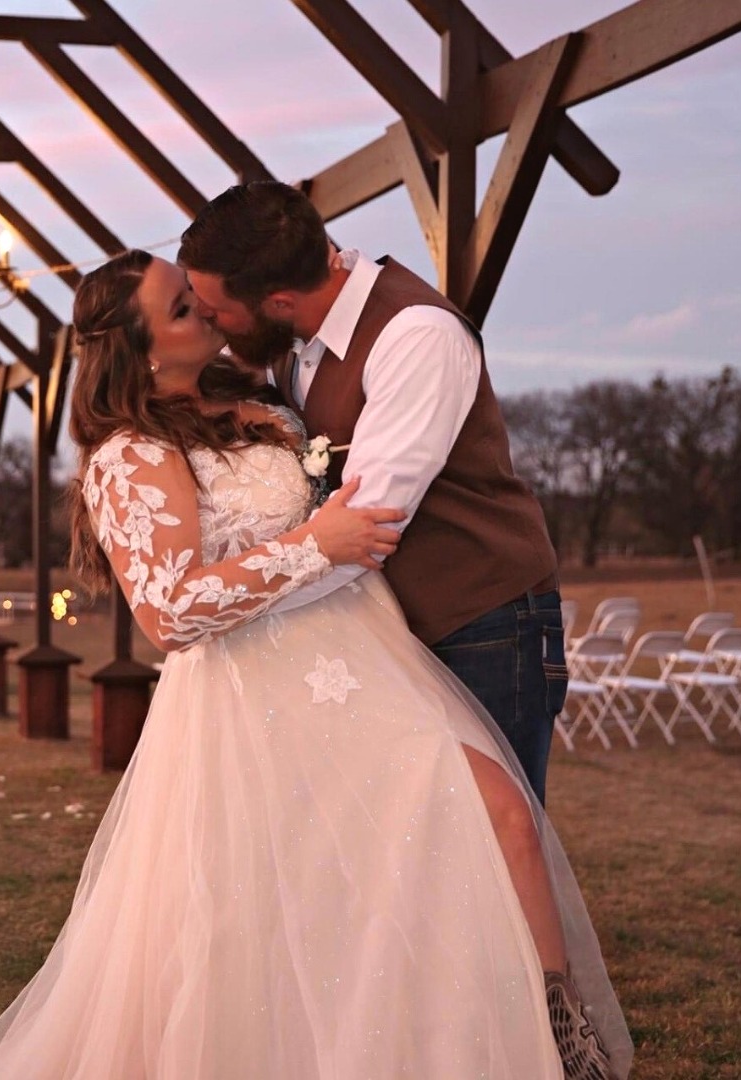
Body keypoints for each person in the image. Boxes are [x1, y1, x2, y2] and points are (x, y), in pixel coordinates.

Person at [0, 251, 630, 1080]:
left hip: (370, 655)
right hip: (262, 689)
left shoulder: (260, 403)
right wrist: (315, 543)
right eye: (183, 306)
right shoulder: (130, 454)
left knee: (495, 823)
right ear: (141, 347)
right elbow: (169, 612)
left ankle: (551, 1038)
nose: (207, 309)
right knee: (330, 889)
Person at [178, 181, 565, 805]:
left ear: (278, 301)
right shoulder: (288, 338)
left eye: (216, 311)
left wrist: (231, 605)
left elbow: (365, 527)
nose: (208, 323)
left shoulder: (416, 337)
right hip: (374, 631)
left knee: (493, 844)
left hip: (477, 623)